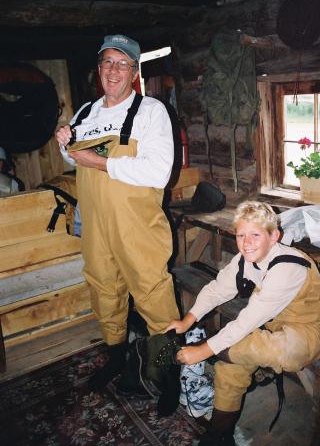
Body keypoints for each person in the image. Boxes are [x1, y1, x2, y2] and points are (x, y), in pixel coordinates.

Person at [55, 34, 180, 392]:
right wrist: (66, 145)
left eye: (122, 63)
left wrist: (101, 161)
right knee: (104, 290)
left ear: (134, 71)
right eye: (107, 61)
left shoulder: (152, 112)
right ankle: (116, 359)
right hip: (96, 225)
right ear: (99, 68)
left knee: (155, 298)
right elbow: (74, 159)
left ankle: (165, 374)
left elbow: (159, 172)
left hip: (137, 228)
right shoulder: (85, 113)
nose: (114, 70)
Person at [167, 200, 320, 445]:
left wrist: (205, 350)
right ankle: (219, 435)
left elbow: (248, 319)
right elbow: (217, 290)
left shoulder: (289, 266)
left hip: (307, 329)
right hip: (269, 326)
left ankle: (219, 350)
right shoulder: (244, 259)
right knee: (230, 367)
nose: (246, 243)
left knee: (285, 351)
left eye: (255, 235)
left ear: (274, 236)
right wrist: (187, 320)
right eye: (241, 235)